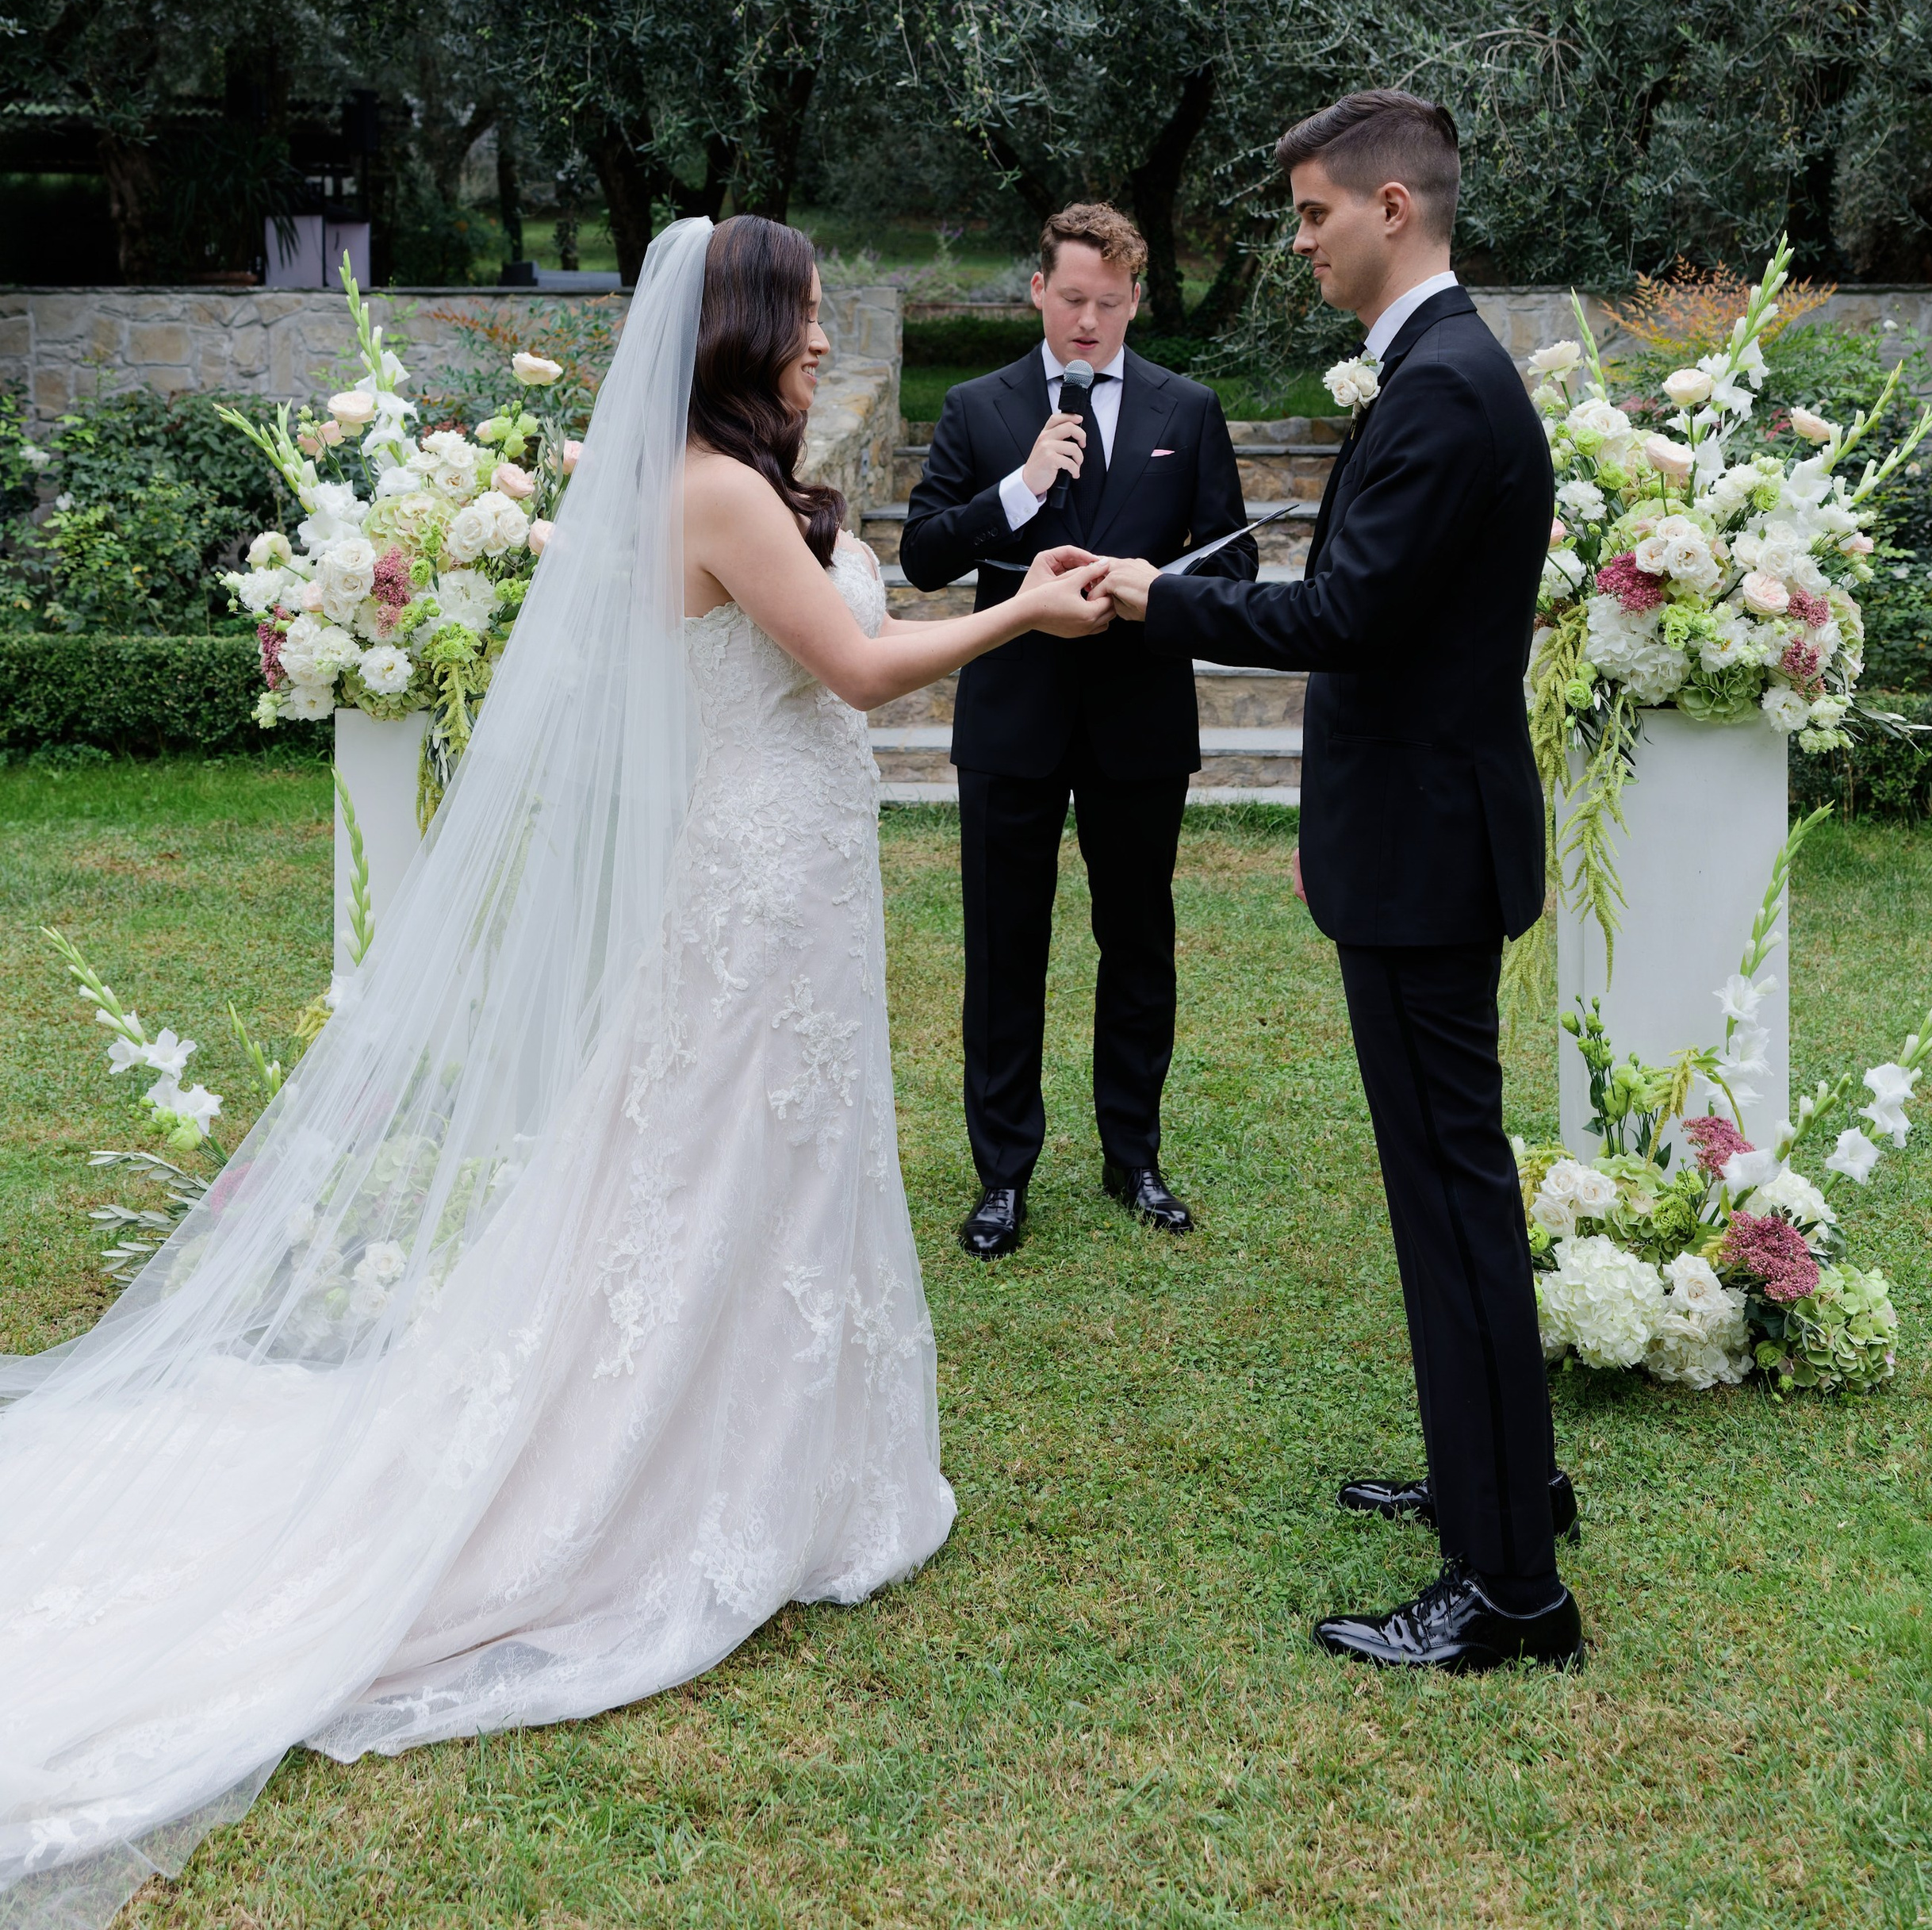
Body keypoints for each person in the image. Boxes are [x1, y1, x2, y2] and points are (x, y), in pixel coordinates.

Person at [0, 216, 1113, 1926]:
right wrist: (1025, 612)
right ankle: (690, 1476)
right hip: (752, 881)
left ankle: (807, 1466)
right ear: (743, 333)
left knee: (755, 1156)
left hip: (784, 872)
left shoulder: (732, 477)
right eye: (805, 322)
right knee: (719, 1156)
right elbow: (862, 668)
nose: (823, 343)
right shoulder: (719, 492)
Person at [1099, 95, 1585, 1675]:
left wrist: (1152, 599)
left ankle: (1511, 1586)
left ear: (1392, 205)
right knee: (1445, 1194)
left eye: (1311, 213)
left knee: (1452, 1203)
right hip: (1420, 839)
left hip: (1423, 854)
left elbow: (1352, 614)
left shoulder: (1443, 386)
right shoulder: (1438, 369)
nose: (1295, 239)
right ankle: (1490, 1486)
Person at [899, 202, 1254, 1259]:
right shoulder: (978, 405)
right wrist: (1018, 489)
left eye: (1109, 301)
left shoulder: (1187, 409)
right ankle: (1003, 1174)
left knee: (1136, 942)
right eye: (1071, 299)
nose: (1089, 320)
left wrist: (1154, 589)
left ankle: (1133, 1154)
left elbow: (1232, 563)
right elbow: (922, 554)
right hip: (1011, 718)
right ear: (1039, 294)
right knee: (1006, 949)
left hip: (1140, 718)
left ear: (1135, 298)